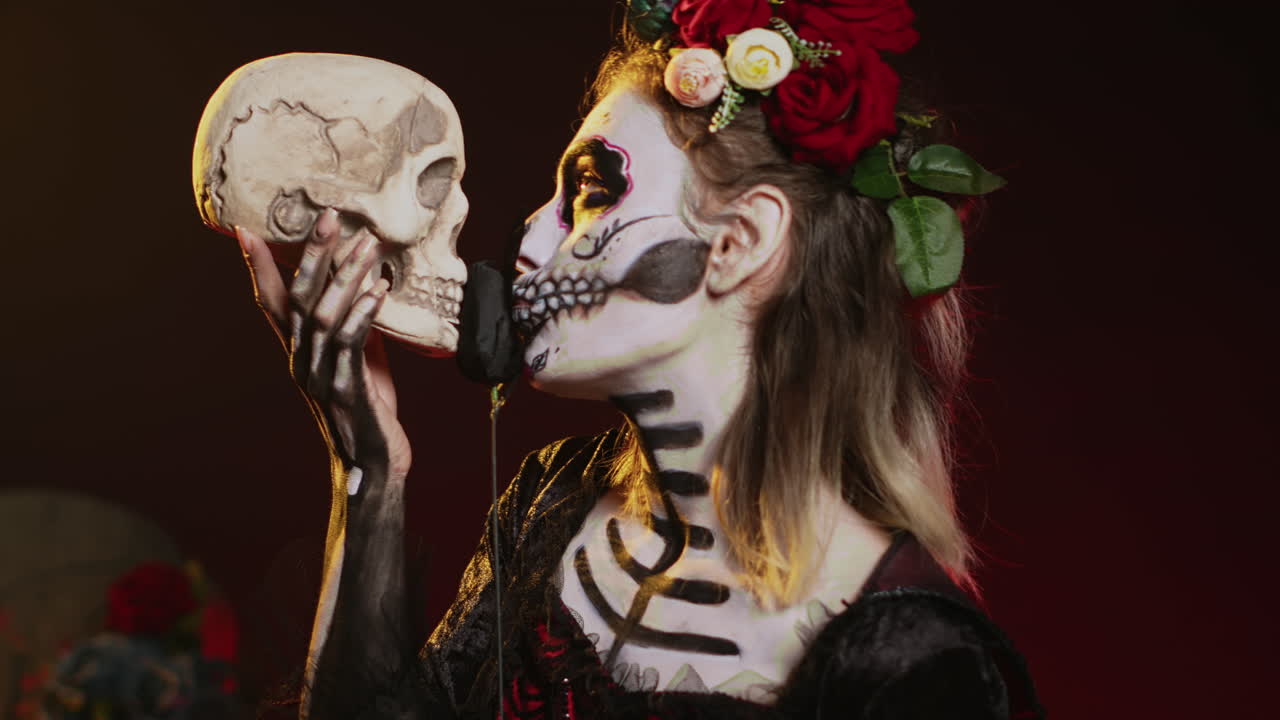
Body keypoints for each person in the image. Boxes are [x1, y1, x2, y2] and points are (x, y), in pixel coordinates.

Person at [236, 1, 1042, 718]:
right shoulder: (550, 505)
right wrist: (368, 472)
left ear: (739, 242)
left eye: (589, 190)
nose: (532, 236)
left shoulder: (922, 664)